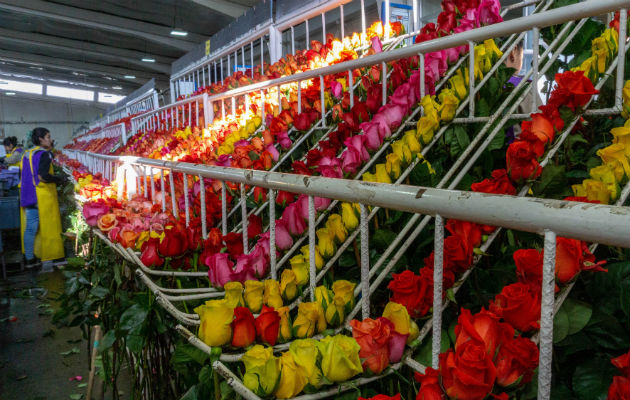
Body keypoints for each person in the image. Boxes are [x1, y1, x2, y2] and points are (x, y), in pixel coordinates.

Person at [20, 128, 65, 274]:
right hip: (42, 196)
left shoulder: (27, 154)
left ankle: (30, 260)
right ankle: (54, 257)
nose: (50, 140)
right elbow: (43, 176)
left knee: (31, 229)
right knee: (49, 227)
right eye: (48, 137)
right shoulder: (44, 154)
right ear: (41, 139)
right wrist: (60, 179)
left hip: (28, 196)